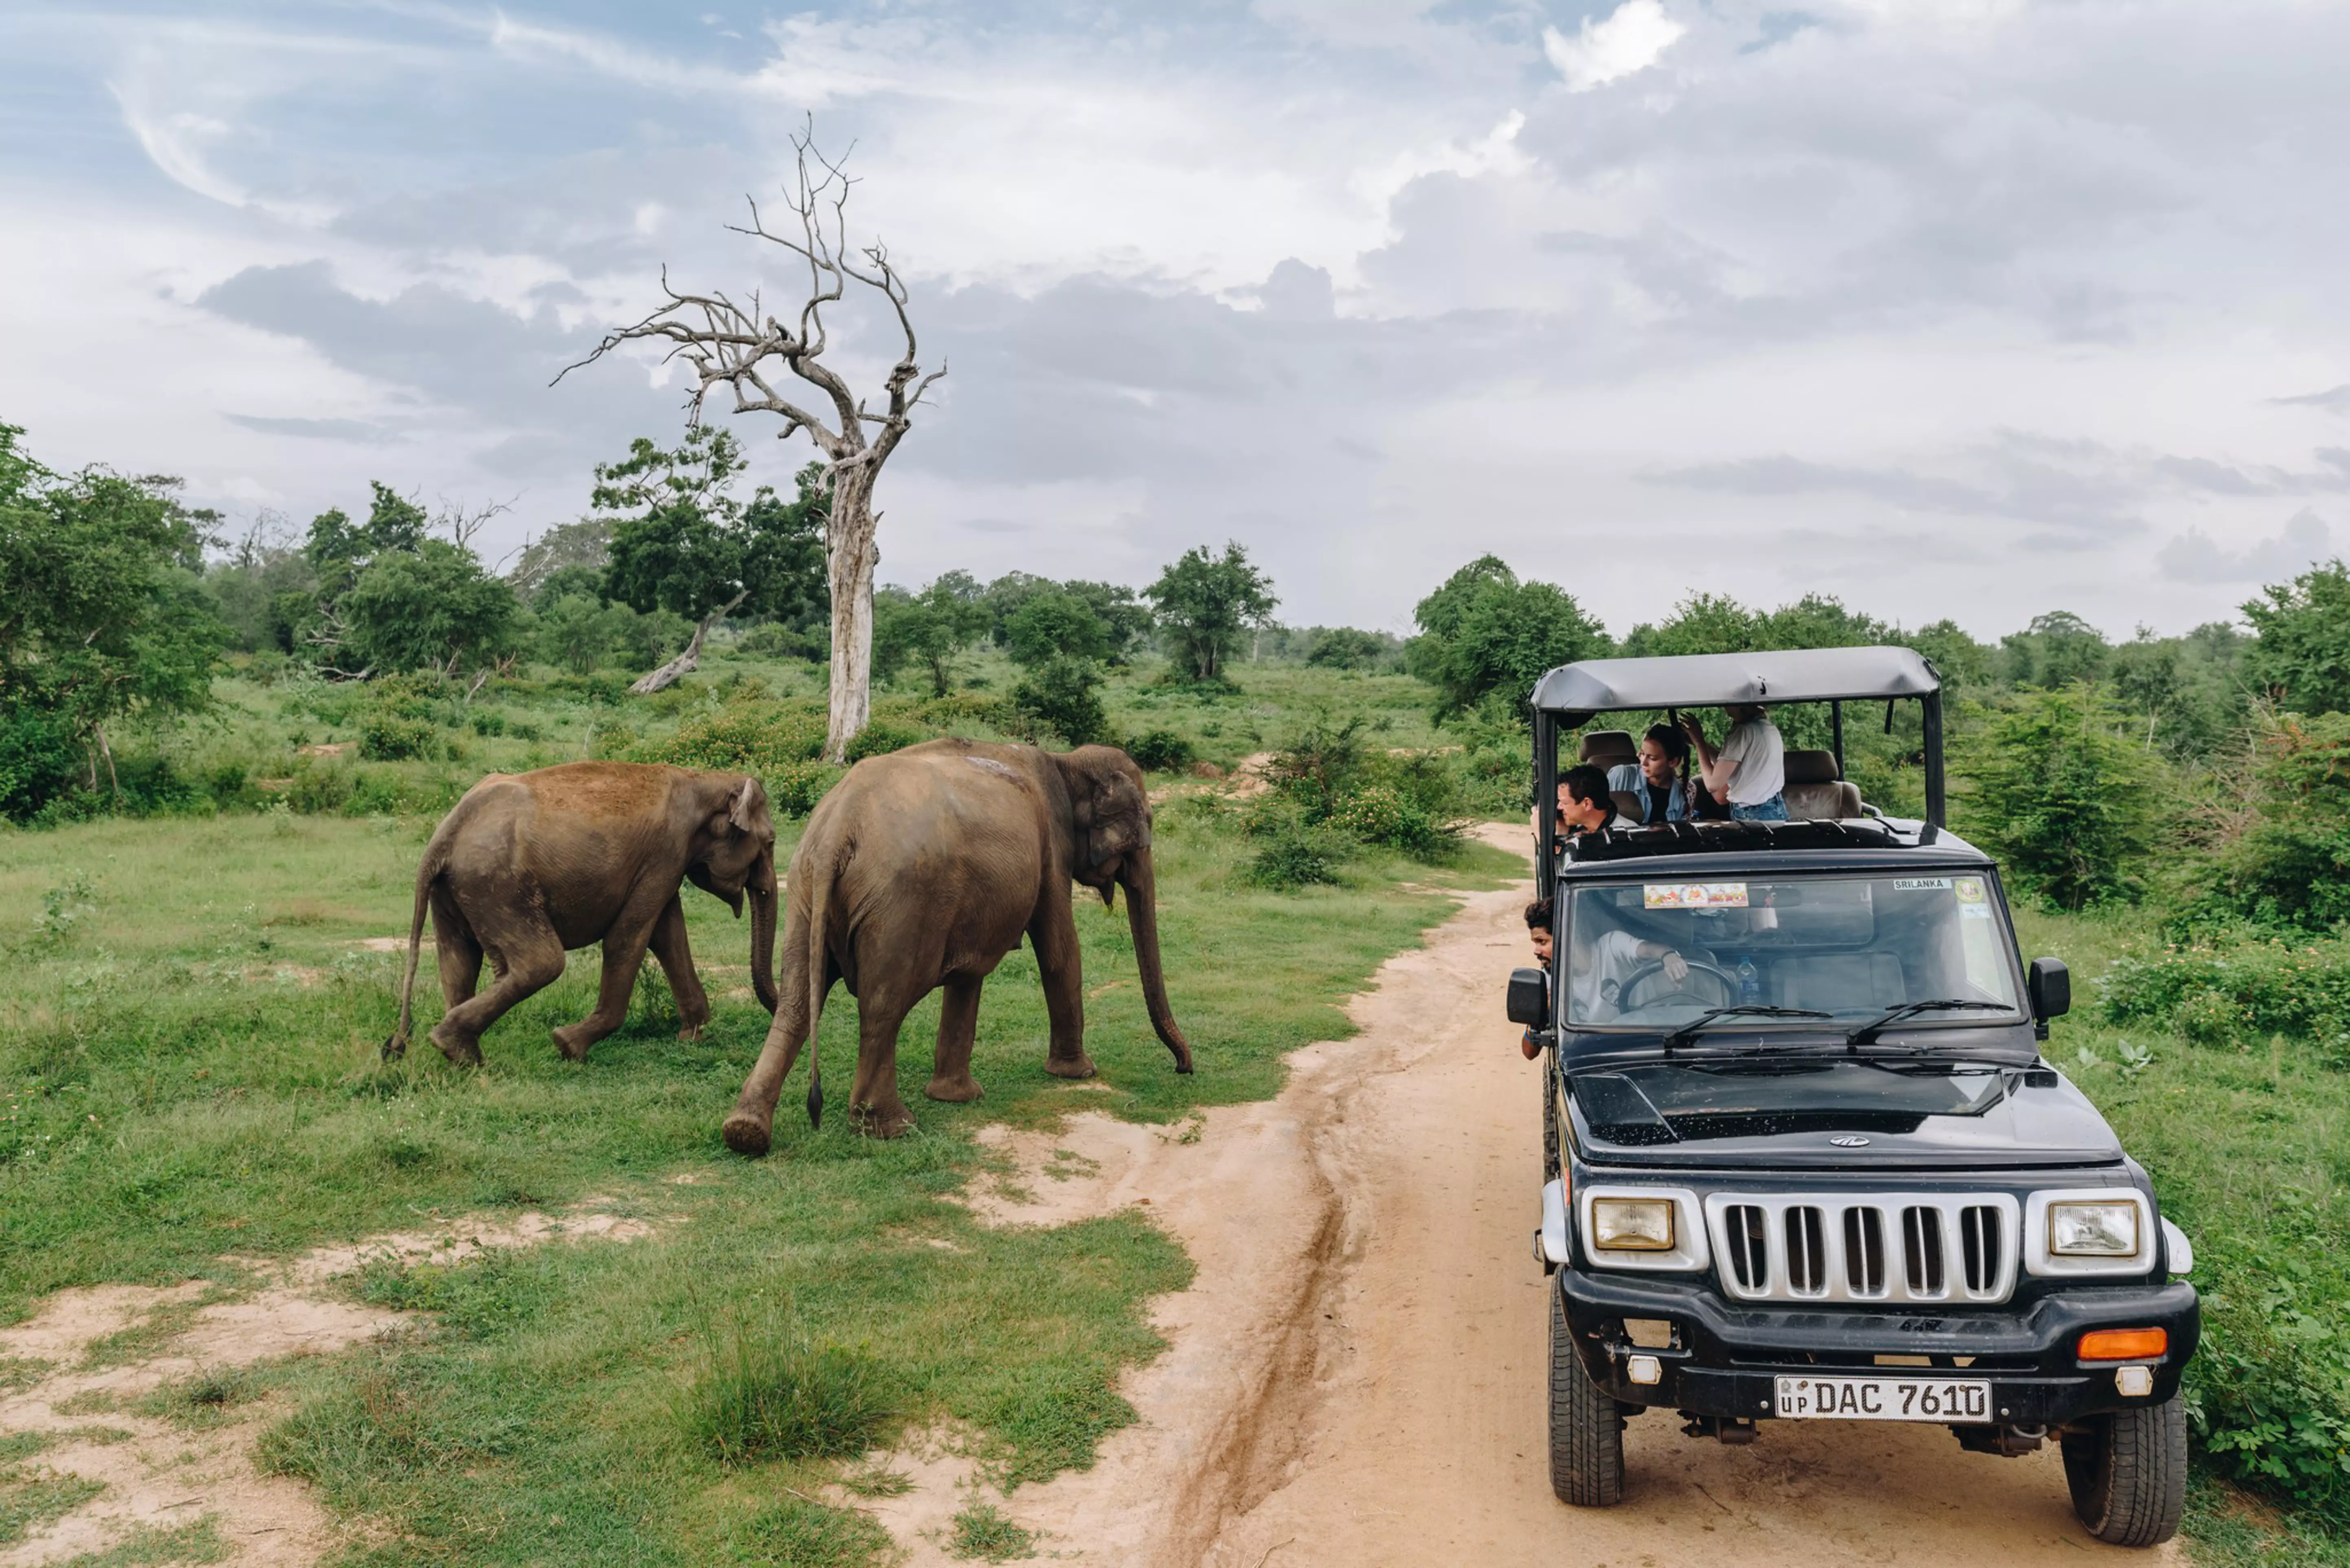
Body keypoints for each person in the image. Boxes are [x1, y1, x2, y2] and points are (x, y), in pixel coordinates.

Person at [1680, 704, 1788, 821]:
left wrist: (1699, 743)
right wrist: (1700, 744)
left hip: (1752, 813)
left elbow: (1713, 784)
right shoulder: (1767, 727)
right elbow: (1728, 764)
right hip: (1774, 807)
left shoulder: (1743, 732)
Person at [1531, 764, 1630, 856]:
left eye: (1564, 803)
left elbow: (1572, 871)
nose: (1559, 807)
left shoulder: (1625, 837)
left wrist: (1541, 837)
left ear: (1587, 804)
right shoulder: (1580, 828)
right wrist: (1562, 834)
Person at [1608, 723, 1696, 824]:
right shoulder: (1620, 777)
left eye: (1652, 758)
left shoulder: (1683, 792)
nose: (1643, 762)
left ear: (1673, 762)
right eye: (1642, 754)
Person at [1520, 897, 1553, 1059]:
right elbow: (1529, 1053)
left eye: (1542, 942)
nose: (1536, 951)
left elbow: (1643, 951)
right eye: (1535, 943)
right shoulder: (1547, 982)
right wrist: (1539, 1015)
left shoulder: (1609, 950)